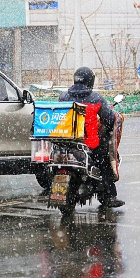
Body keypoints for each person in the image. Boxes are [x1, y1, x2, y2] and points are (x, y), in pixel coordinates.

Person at [59, 67, 125, 208]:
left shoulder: (63, 96)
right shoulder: (96, 98)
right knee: (105, 159)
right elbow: (109, 119)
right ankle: (109, 196)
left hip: (65, 142)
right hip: (88, 143)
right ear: (91, 80)